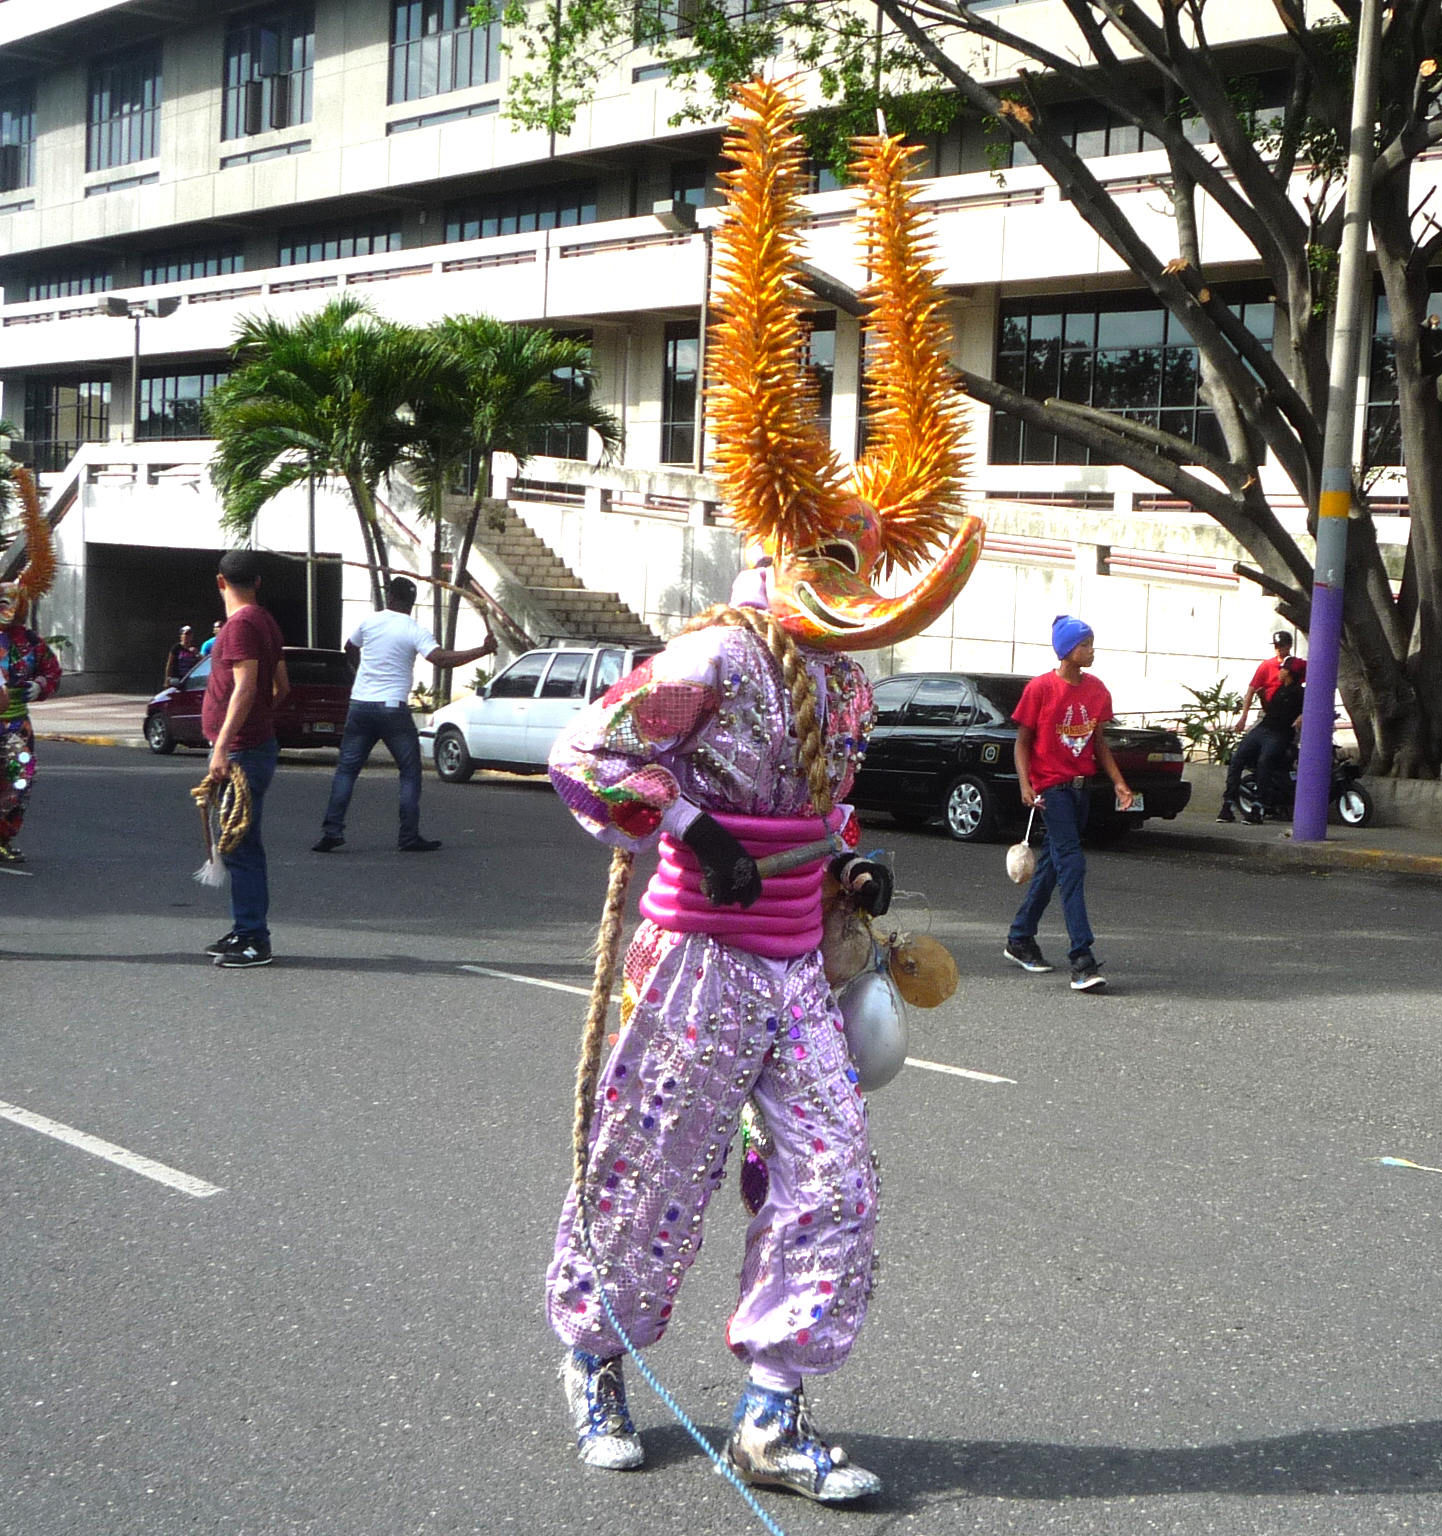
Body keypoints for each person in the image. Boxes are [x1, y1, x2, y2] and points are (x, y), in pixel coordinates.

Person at [539, 82, 985, 1499]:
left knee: (837, 1181)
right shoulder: (713, 657)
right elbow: (586, 756)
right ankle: (595, 1354)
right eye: (838, 559)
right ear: (790, 542)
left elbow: (834, 803)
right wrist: (690, 826)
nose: (858, 585)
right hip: (691, 966)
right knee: (647, 1182)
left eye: (872, 562)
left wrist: (844, 866)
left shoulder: (843, 681)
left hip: (795, 969)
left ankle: (773, 1411)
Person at [313, 575, 496, 854]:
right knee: (409, 772)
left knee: (347, 771)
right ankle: (408, 836)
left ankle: (332, 831)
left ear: (391, 597)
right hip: (392, 708)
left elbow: (350, 648)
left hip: (360, 705)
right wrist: (482, 650)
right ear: (411, 602)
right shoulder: (413, 629)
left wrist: (359, 675)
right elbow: (441, 660)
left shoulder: (369, 622)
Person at [1003, 615, 1136, 992]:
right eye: (1085, 645)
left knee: (1052, 865)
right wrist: (1025, 783)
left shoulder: (1096, 690)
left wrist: (1119, 783)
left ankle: (1020, 937)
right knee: (1072, 865)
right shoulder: (1040, 689)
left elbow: (1098, 743)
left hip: (1081, 789)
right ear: (1066, 650)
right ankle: (1082, 958)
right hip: (1053, 789)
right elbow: (1022, 741)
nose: (1091, 650)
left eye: (1092, 644)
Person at [201, 550, 289, 969]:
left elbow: (247, 687)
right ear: (257, 581)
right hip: (252, 744)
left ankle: (254, 937)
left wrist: (224, 743)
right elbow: (281, 686)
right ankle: (243, 928)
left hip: (241, 751)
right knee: (238, 841)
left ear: (220, 582)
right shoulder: (265, 621)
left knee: (241, 845)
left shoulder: (239, 626)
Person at [0, 465, 61, 865]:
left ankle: (5, 837)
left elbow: (52, 672)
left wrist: (40, 685)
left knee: (18, 781)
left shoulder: (31, 642)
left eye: (10, 602)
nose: (5, 609)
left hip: (17, 725)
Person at [1220, 646, 1305, 825]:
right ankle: (1228, 804)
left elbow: (1308, 710)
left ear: (1289, 672)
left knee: (1264, 763)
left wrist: (1300, 717)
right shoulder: (1280, 689)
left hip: (1280, 733)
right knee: (1237, 759)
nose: (1280, 672)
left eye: (1283, 669)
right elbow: (1271, 711)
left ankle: (1258, 807)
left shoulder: (1300, 692)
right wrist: (1263, 698)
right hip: (1263, 728)